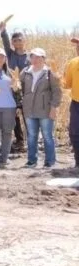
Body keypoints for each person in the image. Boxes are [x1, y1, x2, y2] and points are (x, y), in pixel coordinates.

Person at [19, 48, 62, 168]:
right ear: (30, 58)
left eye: (39, 57)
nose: (35, 59)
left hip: (45, 110)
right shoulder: (25, 72)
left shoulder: (49, 72)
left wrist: (54, 108)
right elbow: (19, 88)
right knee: (31, 136)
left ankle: (50, 161)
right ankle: (32, 161)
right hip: (29, 110)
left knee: (47, 136)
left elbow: (57, 92)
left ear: (44, 59)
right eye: (33, 57)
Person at [0, 20, 30, 151]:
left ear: (24, 41)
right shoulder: (10, 54)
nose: (17, 42)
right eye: (14, 40)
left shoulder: (30, 57)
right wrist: (3, 31)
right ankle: (20, 141)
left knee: (28, 116)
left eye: (19, 40)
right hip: (12, 90)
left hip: (27, 90)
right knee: (15, 117)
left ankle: (31, 141)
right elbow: (5, 42)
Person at [64, 37, 79, 171]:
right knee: (74, 133)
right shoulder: (72, 63)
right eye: (78, 46)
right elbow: (66, 84)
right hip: (76, 103)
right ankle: (78, 162)